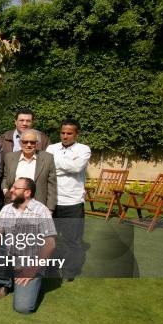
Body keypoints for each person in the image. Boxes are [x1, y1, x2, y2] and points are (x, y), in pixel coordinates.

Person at [0, 178, 58, 314]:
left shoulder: (41, 211)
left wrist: (32, 270)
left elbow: (50, 244)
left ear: (27, 192)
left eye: (15, 188)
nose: (11, 190)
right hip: (10, 256)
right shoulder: (6, 209)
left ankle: (34, 281)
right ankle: (8, 282)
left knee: (22, 308)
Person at [46, 119, 91, 281]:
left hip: (73, 202)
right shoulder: (51, 148)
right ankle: (50, 267)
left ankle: (69, 271)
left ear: (76, 134)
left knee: (73, 240)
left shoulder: (84, 149)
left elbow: (77, 168)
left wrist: (55, 163)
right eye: (63, 133)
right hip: (52, 201)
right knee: (51, 238)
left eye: (69, 133)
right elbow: (47, 168)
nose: (65, 136)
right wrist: (65, 166)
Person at [2, 130, 57, 212]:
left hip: (38, 206)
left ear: (36, 143)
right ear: (20, 142)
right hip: (14, 204)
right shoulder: (10, 157)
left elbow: (52, 185)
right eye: (25, 142)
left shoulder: (47, 158)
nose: (29, 145)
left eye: (32, 142)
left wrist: (50, 209)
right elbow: (5, 177)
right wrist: (5, 191)